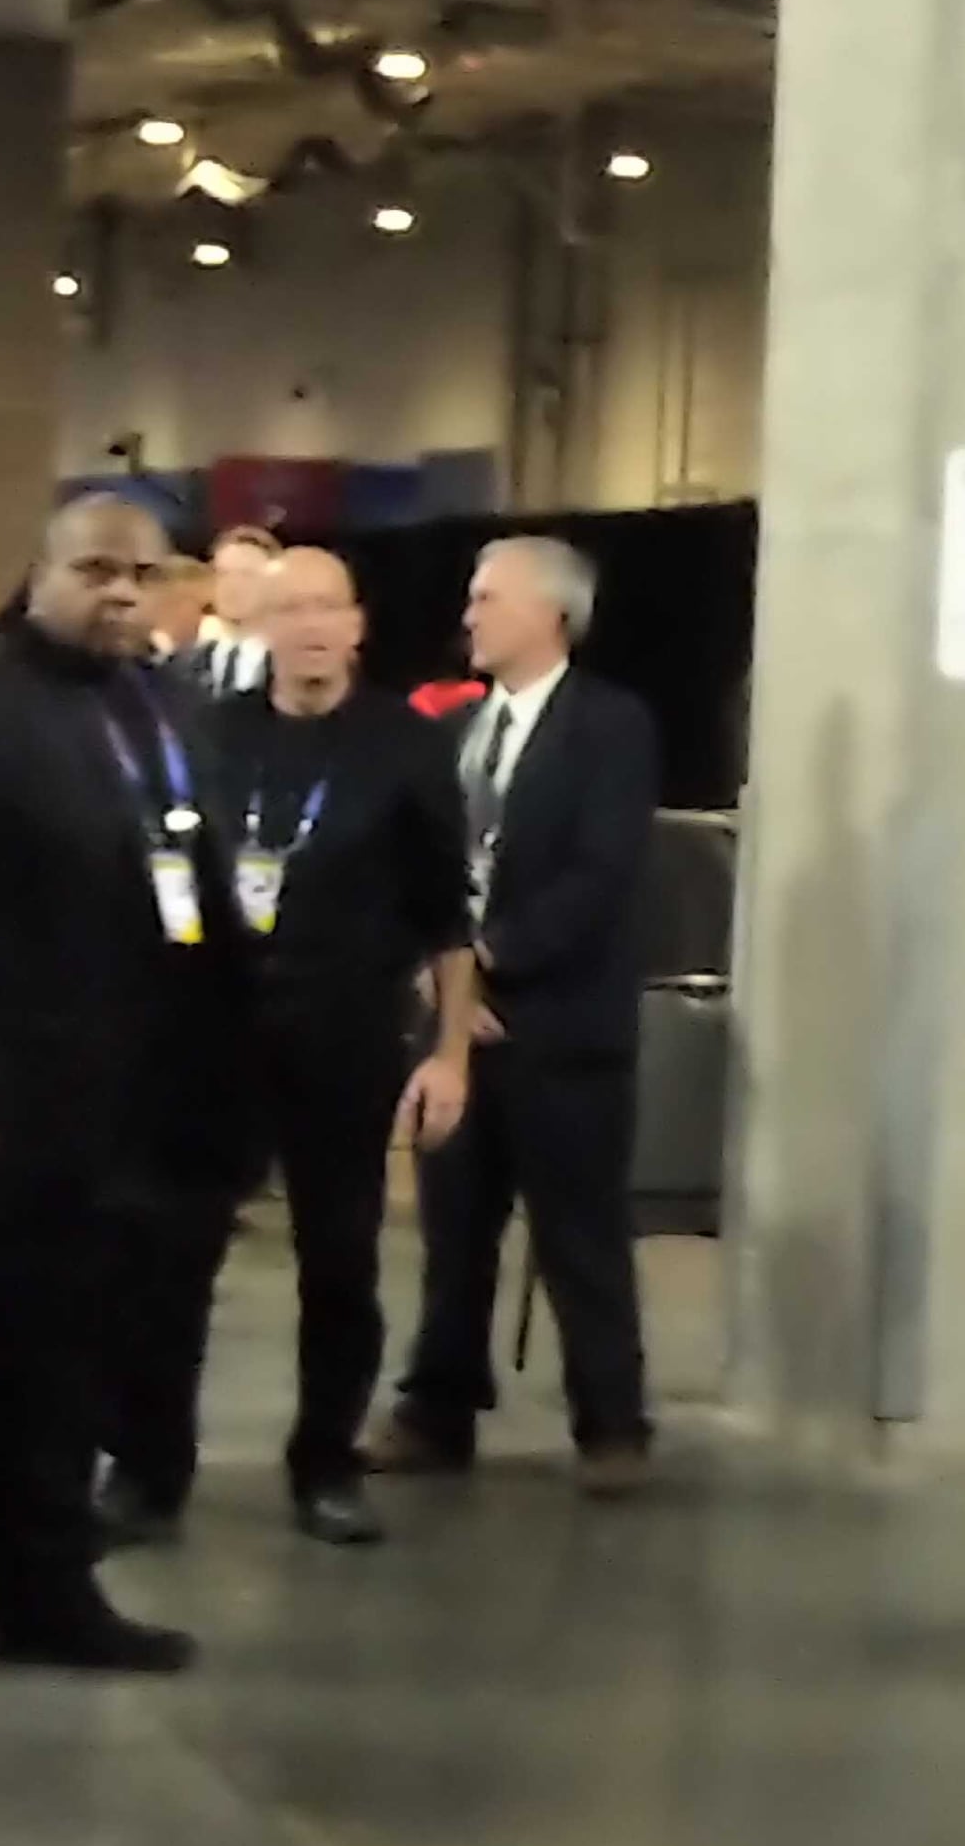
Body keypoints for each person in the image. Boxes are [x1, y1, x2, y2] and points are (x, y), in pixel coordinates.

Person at [97, 548, 475, 1549]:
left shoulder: (405, 745)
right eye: (289, 608)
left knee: (339, 1262)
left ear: (356, 625)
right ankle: (147, 1472)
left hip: (345, 1040)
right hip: (212, 1040)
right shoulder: (208, 733)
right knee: (171, 1262)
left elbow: (447, 915)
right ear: (258, 626)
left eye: (327, 608)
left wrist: (450, 1054)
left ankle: (325, 1466)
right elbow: (164, 870)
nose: (310, 626)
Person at [0, 494, 224, 1674]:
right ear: (38, 573)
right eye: (95, 570)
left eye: (142, 574)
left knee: (59, 1371)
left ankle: (47, 1603)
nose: (121, 593)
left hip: (110, 1107)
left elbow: (182, 886)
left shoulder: (155, 707)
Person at [370, 537, 663, 1494]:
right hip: (457, 1036)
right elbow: (419, 869)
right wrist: (440, 977)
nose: (469, 615)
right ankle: (438, 1409)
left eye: (489, 597)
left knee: (580, 1236)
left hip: (562, 1031)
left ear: (551, 613)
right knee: (453, 1236)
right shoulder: (454, 730)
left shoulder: (610, 728)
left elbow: (599, 876)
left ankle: (611, 1424)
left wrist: (485, 967)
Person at [180, 522, 283, 700]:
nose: (232, 586)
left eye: (247, 575)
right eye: (223, 574)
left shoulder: (290, 666)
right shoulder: (183, 665)